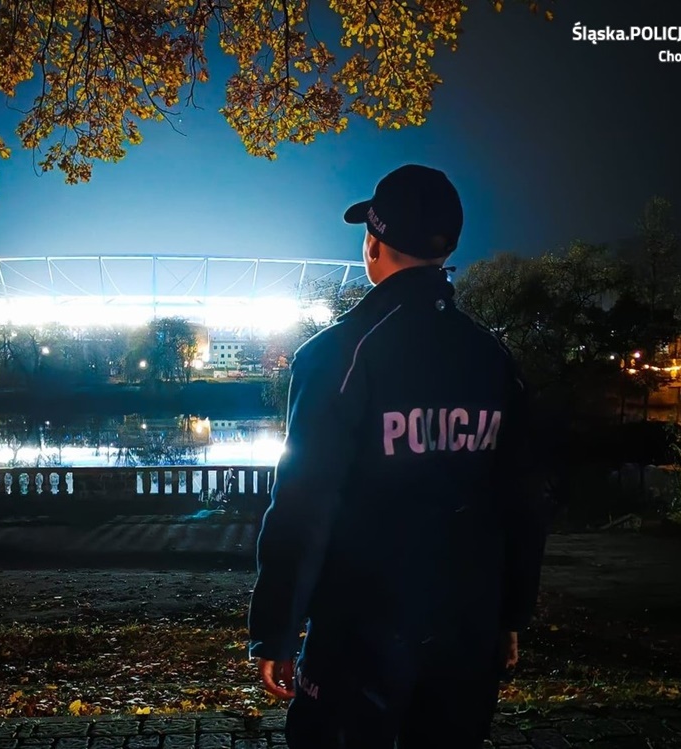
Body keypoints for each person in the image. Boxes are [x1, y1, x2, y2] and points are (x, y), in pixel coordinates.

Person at [247, 164, 550, 748]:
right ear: (446, 251)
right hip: (466, 629)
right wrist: (510, 615)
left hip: (359, 632)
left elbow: (305, 502)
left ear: (372, 245)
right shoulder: (492, 357)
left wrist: (278, 630)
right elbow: (523, 499)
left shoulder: (338, 354)